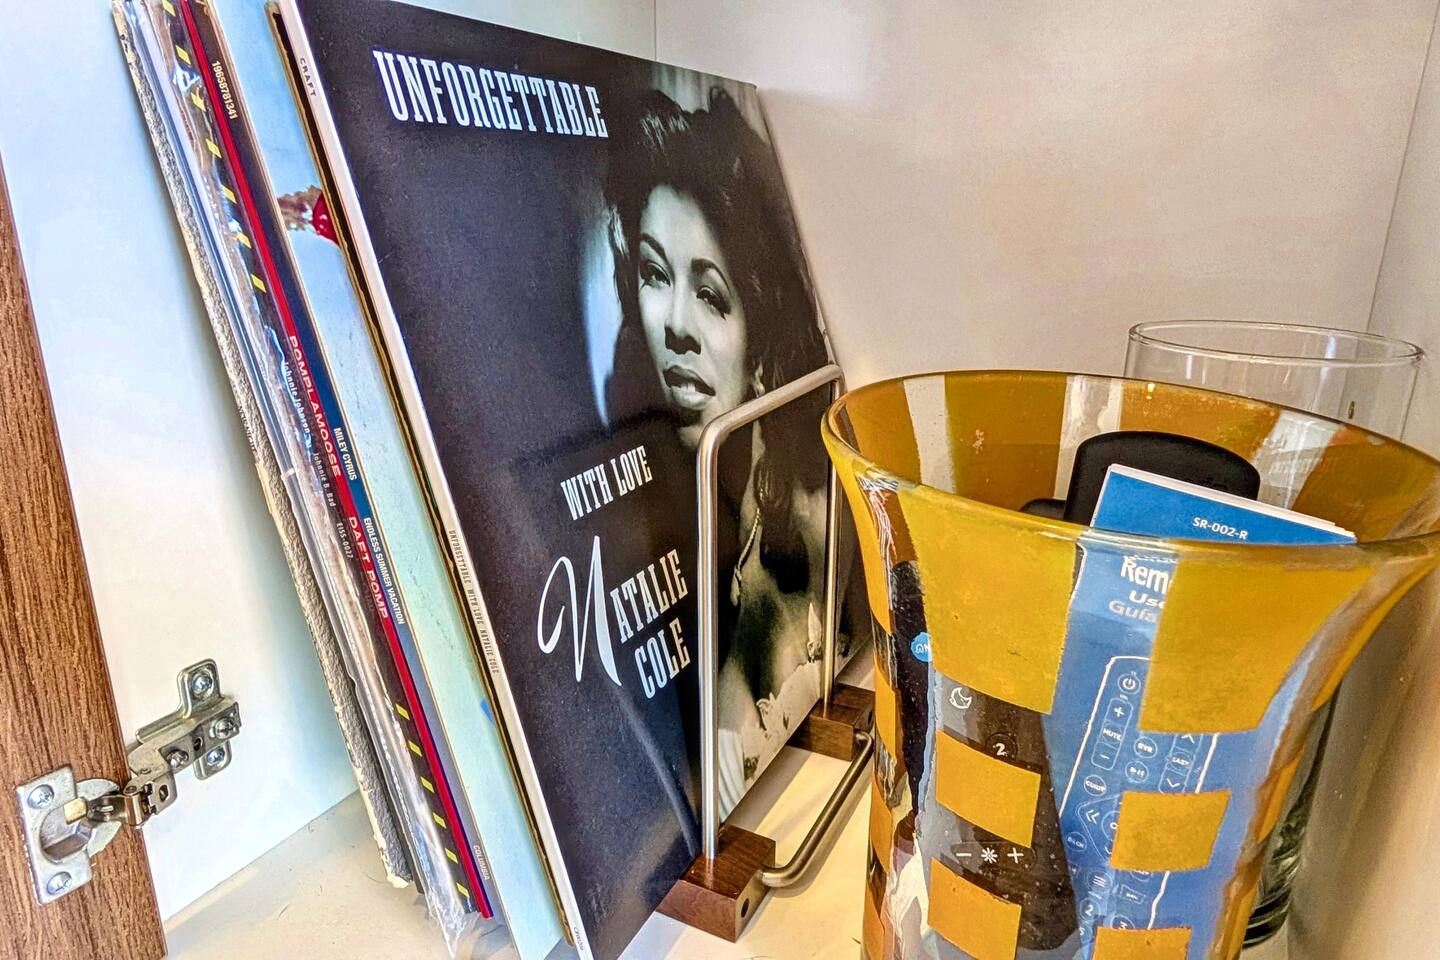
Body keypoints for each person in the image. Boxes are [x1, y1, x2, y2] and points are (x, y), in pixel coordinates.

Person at [603, 87, 835, 811]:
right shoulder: (622, 505)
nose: (675, 324)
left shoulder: (802, 524)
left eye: (710, 294)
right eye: (654, 275)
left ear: (759, 336)